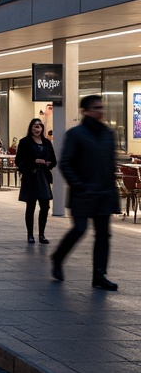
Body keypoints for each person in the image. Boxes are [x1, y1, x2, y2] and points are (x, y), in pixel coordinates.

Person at [50, 95, 120, 290]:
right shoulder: (76, 134)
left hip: (104, 193)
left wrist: (112, 189)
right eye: (96, 108)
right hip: (83, 193)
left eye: (101, 107)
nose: (100, 111)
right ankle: (58, 257)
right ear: (85, 111)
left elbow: (110, 164)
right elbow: (65, 164)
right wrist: (79, 185)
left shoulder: (108, 134)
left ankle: (99, 275)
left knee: (103, 235)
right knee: (80, 229)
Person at [15, 117, 57, 243]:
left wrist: (47, 164)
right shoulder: (24, 142)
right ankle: (30, 235)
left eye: (39, 126)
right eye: (34, 126)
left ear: (42, 128)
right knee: (31, 206)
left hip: (43, 177)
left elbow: (54, 160)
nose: (37, 128)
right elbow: (19, 161)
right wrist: (33, 162)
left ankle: (42, 235)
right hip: (31, 177)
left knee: (45, 206)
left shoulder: (47, 143)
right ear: (30, 128)